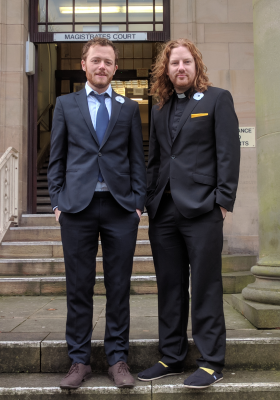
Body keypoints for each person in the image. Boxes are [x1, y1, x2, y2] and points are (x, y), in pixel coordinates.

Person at [137, 38, 240, 389]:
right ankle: (171, 355)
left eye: (186, 62)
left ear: (196, 66)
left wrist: (223, 200)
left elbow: (228, 152)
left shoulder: (217, 99)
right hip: (164, 211)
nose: (180, 68)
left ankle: (211, 361)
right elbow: (156, 160)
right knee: (169, 285)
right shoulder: (161, 105)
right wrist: (151, 200)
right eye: (174, 63)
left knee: (207, 285)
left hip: (203, 209)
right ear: (165, 69)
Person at [48, 37, 146, 390]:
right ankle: (79, 361)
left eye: (108, 61)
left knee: (119, 286)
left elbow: (138, 159)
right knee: (79, 286)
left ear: (115, 68)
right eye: (96, 61)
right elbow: (56, 157)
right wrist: (57, 202)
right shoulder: (65, 104)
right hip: (77, 208)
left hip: (121, 209)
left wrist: (138, 203)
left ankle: (118, 359)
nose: (102, 66)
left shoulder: (128, 108)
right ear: (84, 65)